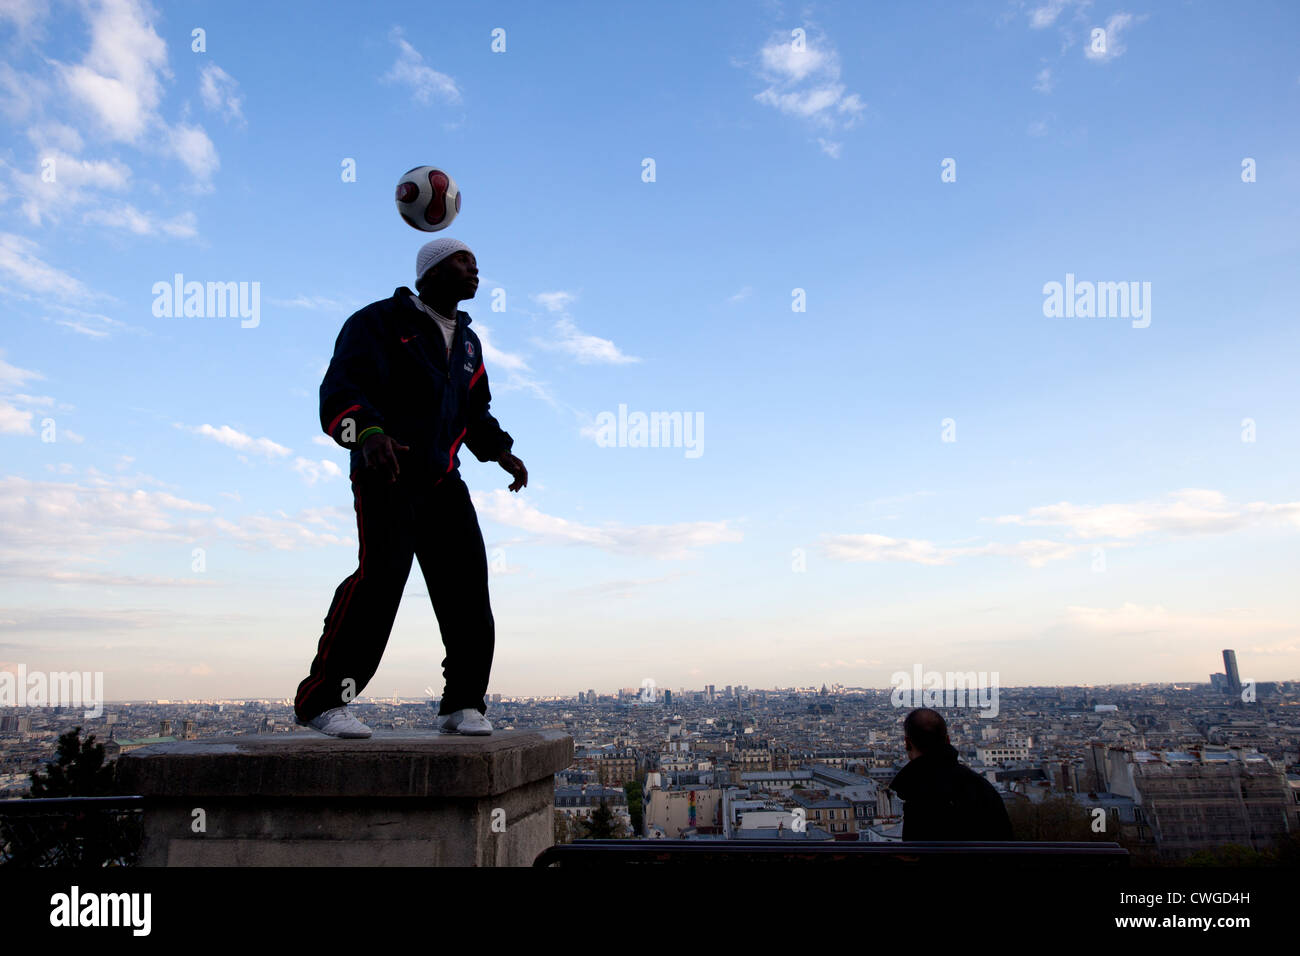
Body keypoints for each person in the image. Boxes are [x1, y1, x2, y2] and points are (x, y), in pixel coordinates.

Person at [293, 237, 527, 739]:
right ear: (432, 272)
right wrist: (368, 434)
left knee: (467, 589)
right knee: (380, 582)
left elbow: (474, 411)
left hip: (444, 478)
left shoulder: (468, 343)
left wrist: (499, 450)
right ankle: (325, 701)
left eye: (475, 262)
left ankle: (462, 703)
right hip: (387, 470)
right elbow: (340, 392)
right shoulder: (377, 322)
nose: (475, 268)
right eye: (464, 261)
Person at [889, 707, 1014, 841]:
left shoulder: (918, 790)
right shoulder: (981, 785)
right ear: (948, 740)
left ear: (907, 743)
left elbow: (918, 853)